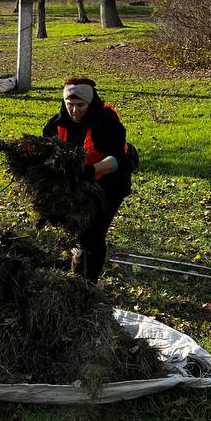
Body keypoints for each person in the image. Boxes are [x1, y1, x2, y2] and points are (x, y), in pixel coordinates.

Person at [42, 77, 132, 282]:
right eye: (70, 104)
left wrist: (90, 171)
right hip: (79, 185)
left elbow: (116, 159)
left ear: (90, 103)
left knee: (94, 234)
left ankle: (87, 284)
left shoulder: (106, 121)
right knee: (79, 232)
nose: (74, 110)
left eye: (80, 105)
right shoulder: (55, 124)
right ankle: (78, 269)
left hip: (110, 183)